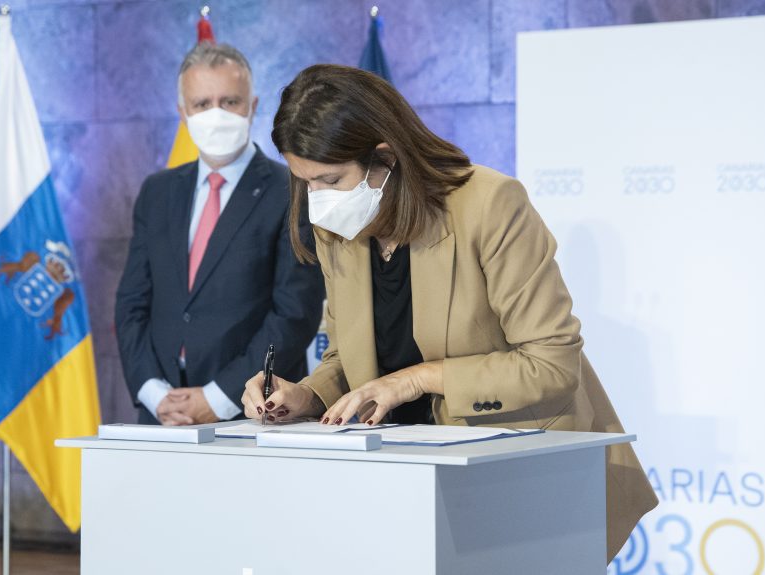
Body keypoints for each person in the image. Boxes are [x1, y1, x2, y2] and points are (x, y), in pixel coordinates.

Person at [240, 64, 657, 561]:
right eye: (306, 182)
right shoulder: (338, 229)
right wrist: (305, 397)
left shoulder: (490, 205)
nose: (318, 200)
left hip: (525, 480)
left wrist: (416, 379)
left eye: (330, 180)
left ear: (383, 159)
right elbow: (349, 359)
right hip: (404, 488)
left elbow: (552, 364)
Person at [115, 43, 324, 426]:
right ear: (183, 113)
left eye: (229, 101)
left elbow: (295, 312)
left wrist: (219, 397)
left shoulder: (293, 190)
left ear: (253, 105)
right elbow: (131, 305)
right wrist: (153, 393)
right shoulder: (156, 193)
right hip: (162, 415)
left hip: (251, 412)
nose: (216, 114)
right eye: (201, 104)